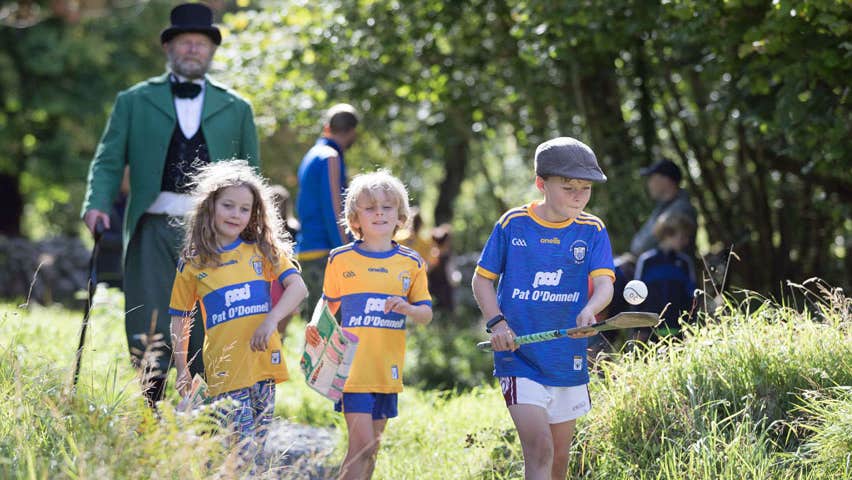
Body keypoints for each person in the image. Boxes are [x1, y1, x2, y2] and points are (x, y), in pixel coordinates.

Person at [80, 2, 260, 408]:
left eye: (201, 43)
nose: (193, 50)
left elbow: (252, 178)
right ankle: (151, 412)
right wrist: (96, 204)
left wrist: (255, 231)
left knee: (211, 316)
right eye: (185, 43)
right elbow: (108, 161)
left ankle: (209, 411)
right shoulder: (134, 100)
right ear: (169, 49)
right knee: (149, 313)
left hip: (215, 230)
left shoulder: (238, 107)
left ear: (211, 52)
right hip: (152, 224)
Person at [472, 137, 615, 480]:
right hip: (520, 358)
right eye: (569, 187)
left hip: (568, 356)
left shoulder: (592, 229)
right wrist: (498, 324)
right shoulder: (512, 224)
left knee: (559, 461)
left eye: (586, 188)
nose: (579, 195)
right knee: (540, 449)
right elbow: (481, 281)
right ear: (541, 183)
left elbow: (606, 286)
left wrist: (590, 311)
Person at [169, 160, 307, 462]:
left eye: (244, 209)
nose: (236, 214)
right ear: (210, 207)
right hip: (225, 371)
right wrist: (182, 368)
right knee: (240, 452)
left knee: (254, 454)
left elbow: (299, 288)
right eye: (228, 205)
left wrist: (271, 321)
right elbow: (180, 318)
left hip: (264, 365)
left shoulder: (263, 249)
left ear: (254, 213)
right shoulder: (193, 263)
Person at [305, 170, 433, 480]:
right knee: (361, 445)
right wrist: (314, 322)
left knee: (372, 448)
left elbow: (426, 313)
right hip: (352, 369)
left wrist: (408, 309)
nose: (379, 213)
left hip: (387, 369)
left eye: (387, 207)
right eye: (370, 207)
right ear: (355, 218)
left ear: (400, 215)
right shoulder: (340, 259)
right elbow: (328, 302)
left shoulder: (412, 263)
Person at [295, 103, 359, 317]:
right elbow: (335, 210)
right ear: (352, 132)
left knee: (316, 331)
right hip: (325, 254)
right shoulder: (330, 157)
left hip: (308, 249)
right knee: (331, 331)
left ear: (326, 127)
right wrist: (348, 251)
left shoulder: (311, 154)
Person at [631, 211, 698, 343]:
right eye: (682, 236)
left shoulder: (684, 262)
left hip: (679, 330)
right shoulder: (647, 261)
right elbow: (636, 296)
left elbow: (692, 297)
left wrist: (691, 326)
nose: (686, 241)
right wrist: (638, 328)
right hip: (649, 331)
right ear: (668, 234)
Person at [629, 159, 697, 257]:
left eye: (651, 178)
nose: (649, 184)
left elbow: (644, 246)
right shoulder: (662, 208)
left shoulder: (681, 209)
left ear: (666, 180)